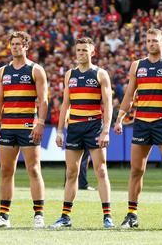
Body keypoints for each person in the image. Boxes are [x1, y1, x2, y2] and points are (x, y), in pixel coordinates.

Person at [114, 28, 162, 229]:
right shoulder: (137, 66)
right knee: (136, 170)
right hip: (141, 123)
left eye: (155, 40)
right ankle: (131, 215)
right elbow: (129, 95)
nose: (151, 43)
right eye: (148, 40)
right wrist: (120, 118)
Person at [50, 37, 114, 229]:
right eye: (78, 50)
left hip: (94, 126)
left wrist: (105, 130)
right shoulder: (70, 74)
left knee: (101, 171)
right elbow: (65, 104)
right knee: (71, 173)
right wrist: (60, 130)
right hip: (75, 128)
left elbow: (108, 104)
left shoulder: (100, 74)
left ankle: (107, 217)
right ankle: (65, 217)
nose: (81, 54)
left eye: (84, 51)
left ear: (92, 52)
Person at [0, 31, 48, 229]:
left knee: (33, 169)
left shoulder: (36, 70)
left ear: (26, 46)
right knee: (6, 171)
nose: (15, 47)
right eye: (12, 44)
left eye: (19, 44)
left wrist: (40, 123)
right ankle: (4, 216)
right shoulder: (2, 71)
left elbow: (43, 99)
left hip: (28, 127)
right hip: (7, 126)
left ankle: (39, 214)